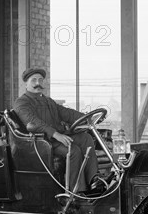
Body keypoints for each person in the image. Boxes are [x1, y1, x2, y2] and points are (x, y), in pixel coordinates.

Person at [13, 67, 105, 195]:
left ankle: (94, 180)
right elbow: (33, 122)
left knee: (85, 138)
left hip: (56, 139)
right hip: (41, 142)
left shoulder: (48, 101)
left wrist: (89, 117)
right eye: (33, 80)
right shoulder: (22, 102)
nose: (38, 83)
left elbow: (67, 113)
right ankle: (75, 192)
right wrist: (56, 134)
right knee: (73, 151)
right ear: (26, 84)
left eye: (40, 80)